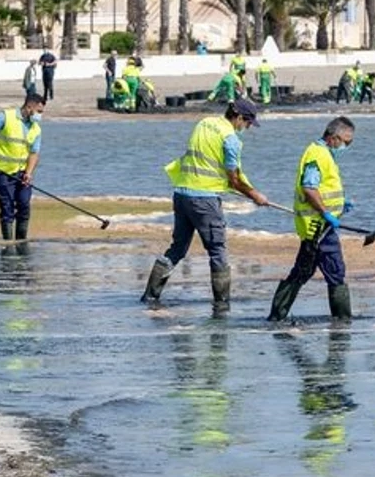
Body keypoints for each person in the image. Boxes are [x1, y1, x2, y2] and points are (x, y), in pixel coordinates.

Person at [140, 98, 268, 315]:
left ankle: (150, 296)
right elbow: (234, 180)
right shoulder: (231, 139)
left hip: (181, 194)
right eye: (247, 123)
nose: (246, 128)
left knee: (177, 248)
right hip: (204, 200)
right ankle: (222, 305)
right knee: (217, 250)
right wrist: (255, 195)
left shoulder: (204, 123)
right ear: (238, 117)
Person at [268, 116, 357, 323]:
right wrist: (326, 213)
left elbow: (323, 189)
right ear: (334, 137)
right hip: (319, 227)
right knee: (335, 271)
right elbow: (309, 188)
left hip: (318, 226)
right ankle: (343, 321)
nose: (347, 146)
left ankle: (276, 316)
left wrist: (340, 206)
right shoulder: (317, 155)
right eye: (347, 141)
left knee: (303, 270)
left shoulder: (322, 153)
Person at [0, 92, 45, 244]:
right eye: (39, 111)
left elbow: (34, 152)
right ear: (30, 106)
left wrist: (28, 173)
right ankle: (8, 244)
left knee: (24, 205)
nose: (40, 115)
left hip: (23, 173)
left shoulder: (36, 128)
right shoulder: (7, 117)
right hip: (4, 172)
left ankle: (21, 243)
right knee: (7, 208)